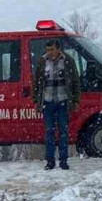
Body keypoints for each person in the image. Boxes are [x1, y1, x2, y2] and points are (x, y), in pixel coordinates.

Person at [33, 39, 80, 170]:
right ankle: (50, 161)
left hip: (63, 101)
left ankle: (63, 161)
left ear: (59, 49)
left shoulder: (67, 61)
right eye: (47, 50)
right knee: (49, 132)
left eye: (52, 50)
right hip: (47, 102)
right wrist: (36, 100)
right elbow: (36, 82)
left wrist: (76, 100)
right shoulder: (42, 61)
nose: (49, 53)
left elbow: (75, 80)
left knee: (63, 131)